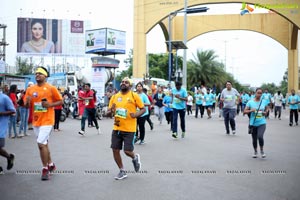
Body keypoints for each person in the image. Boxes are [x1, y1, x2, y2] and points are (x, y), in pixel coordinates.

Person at [24, 66, 63, 180]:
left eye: (40, 73)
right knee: (44, 144)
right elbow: (26, 105)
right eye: (36, 73)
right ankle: (51, 165)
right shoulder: (30, 89)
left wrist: (50, 105)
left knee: (40, 143)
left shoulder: (51, 88)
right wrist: (27, 102)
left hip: (48, 120)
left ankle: (45, 169)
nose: (37, 75)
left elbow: (60, 101)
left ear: (45, 76)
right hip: (37, 120)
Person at [107, 77, 145, 180]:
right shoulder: (114, 97)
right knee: (115, 149)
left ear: (130, 85)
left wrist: (136, 115)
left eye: (126, 82)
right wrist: (111, 111)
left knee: (127, 151)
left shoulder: (134, 96)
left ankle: (134, 157)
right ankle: (122, 171)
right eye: (122, 82)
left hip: (129, 128)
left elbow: (143, 109)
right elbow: (108, 113)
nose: (124, 83)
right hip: (117, 127)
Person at [244, 88, 269, 158]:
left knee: (260, 136)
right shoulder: (250, 102)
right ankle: (255, 151)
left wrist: (266, 112)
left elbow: (267, 108)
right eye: (258, 93)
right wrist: (251, 110)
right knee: (254, 139)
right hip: (253, 123)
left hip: (262, 122)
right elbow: (244, 111)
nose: (259, 94)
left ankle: (262, 150)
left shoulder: (264, 101)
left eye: (261, 93)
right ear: (255, 93)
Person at [0, 92, 16, 174]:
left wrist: (1, 113)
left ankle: (9, 158)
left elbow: (13, 111)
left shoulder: (4, 98)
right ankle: (9, 157)